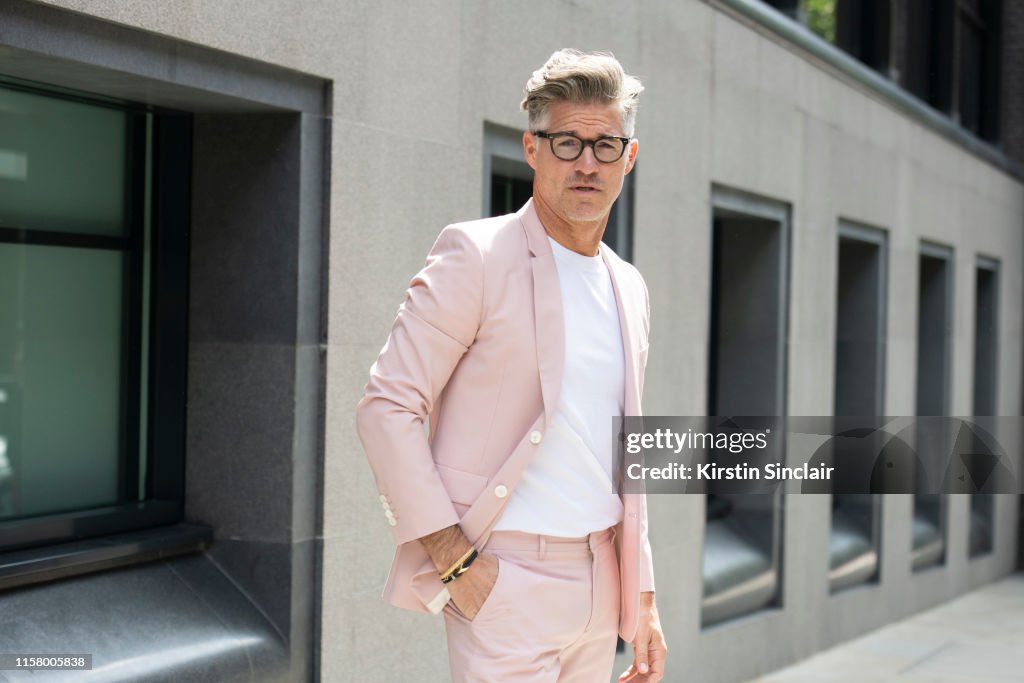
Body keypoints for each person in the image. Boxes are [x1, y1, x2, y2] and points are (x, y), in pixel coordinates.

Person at [356, 48, 667, 682]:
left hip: (601, 584)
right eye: (566, 143)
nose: (586, 162)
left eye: (606, 145)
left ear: (628, 159)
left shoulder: (627, 285)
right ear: (532, 149)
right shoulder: (476, 255)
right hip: (502, 584)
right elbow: (386, 407)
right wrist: (453, 560)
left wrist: (643, 597)